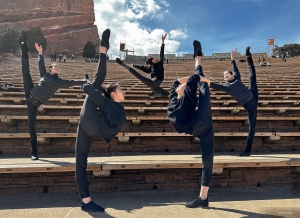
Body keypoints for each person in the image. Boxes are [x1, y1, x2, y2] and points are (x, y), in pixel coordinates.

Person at [75, 29, 126, 213]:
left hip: (88, 123)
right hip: (91, 128)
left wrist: (89, 88)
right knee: (80, 163)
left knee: (96, 82)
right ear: (113, 94)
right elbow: (100, 99)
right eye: (121, 90)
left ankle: (103, 49)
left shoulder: (113, 105)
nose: (124, 92)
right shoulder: (115, 107)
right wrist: (91, 88)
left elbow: (99, 99)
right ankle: (86, 201)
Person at [19, 31, 88, 160]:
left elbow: (72, 82)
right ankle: (24, 45)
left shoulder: (59, 82)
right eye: (55, 66)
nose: (57, 67)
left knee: (31, 125)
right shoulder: (44, 74)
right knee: (25, 71)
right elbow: (40, 64)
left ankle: (34, 152)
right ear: (50, 68)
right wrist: (40, 53)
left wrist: (85, 81)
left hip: (33, 104)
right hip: (30, 92)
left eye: (58, 67)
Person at [167, 40, 214, 208]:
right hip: (197, 123)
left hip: (200, 123)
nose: (181, 87)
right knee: (203, 86)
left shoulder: (173, 96)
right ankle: (198, 59)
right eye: (183, 88)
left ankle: (203, 198)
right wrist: (201, 80)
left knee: (208, 160)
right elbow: (191, 81)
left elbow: (177, 82)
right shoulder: (175, 110)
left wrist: (191, 80)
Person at [201, 47, 258, 156]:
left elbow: (235, 68)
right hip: (250, 106)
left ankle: (248, 56)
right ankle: (247, 151)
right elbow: (212, 84)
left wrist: (232, 57)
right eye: (223, 75)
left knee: (252, 75)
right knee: (252, 129)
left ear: (231, 75)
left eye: (227, 73)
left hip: (253, 93)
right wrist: (203, 77)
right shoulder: (226, 87)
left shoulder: (237, 78)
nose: (225, 75)